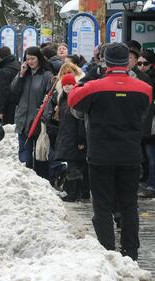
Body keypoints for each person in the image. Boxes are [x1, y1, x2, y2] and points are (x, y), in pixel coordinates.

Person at [68, 42, 153, 261]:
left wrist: (90, 77)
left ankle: (107, 250)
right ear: (128, 61)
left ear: (105, 61)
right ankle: (131, 251)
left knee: (103, 205)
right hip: (130, 154)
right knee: (129, 204)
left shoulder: (94, 87)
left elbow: (73, 98)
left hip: (100, 154)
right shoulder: (144, 89)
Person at [11, 46, 53, 170]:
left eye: (33, 59)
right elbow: (14, 90)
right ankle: (25, 177)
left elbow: (49, 98)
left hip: (38, 119)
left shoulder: (46, 75)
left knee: (40, 154)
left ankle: (41, 178)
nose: (30, 62)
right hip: (23, 119)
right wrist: (21, 74)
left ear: (39, 58)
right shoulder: (24, 74)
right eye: (27, 59)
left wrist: (45, 117)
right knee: (24, 156)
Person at [52, 74, 88, 201]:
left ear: (74, 85)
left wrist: (81, 139)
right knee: (71, 164)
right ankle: (75, 191)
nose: (67, 86)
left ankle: (74, 193)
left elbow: (80, 121)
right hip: (65, 136)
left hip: (74, 138)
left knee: (74, 166)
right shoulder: (62, 100)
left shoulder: (76, 100)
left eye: (70, 84)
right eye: (65, 84)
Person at [137, 50, 155, 198]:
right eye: (139, 63)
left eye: (145, 63)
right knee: (143, 156)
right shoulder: (137, 78)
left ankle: (151, 185)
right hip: (140, 123)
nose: (142, 66)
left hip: (151, 125)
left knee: (151, 157)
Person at [0, 46, 20, 125]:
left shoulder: (4, 70)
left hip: (8, 105)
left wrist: (0, 109)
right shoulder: (18, 64)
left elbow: (3, 91)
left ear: (0, 57)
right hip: (18, 103)